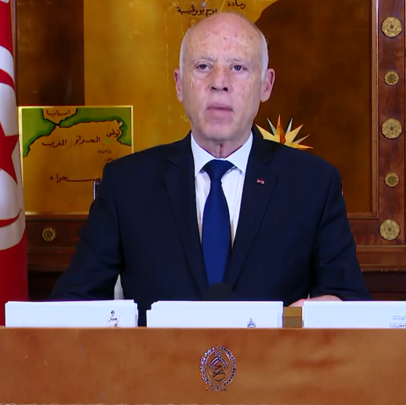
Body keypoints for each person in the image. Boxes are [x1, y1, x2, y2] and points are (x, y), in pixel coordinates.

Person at [49, 12, 370, 324]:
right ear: (179, 84)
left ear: (266, 84)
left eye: (238, 67)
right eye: (203, 66)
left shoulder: (314, 184)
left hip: (274, 361)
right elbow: (70, 305)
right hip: (159, 361)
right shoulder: (127, 184)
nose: (219, 82)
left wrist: (325, 312)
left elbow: (351, 303)